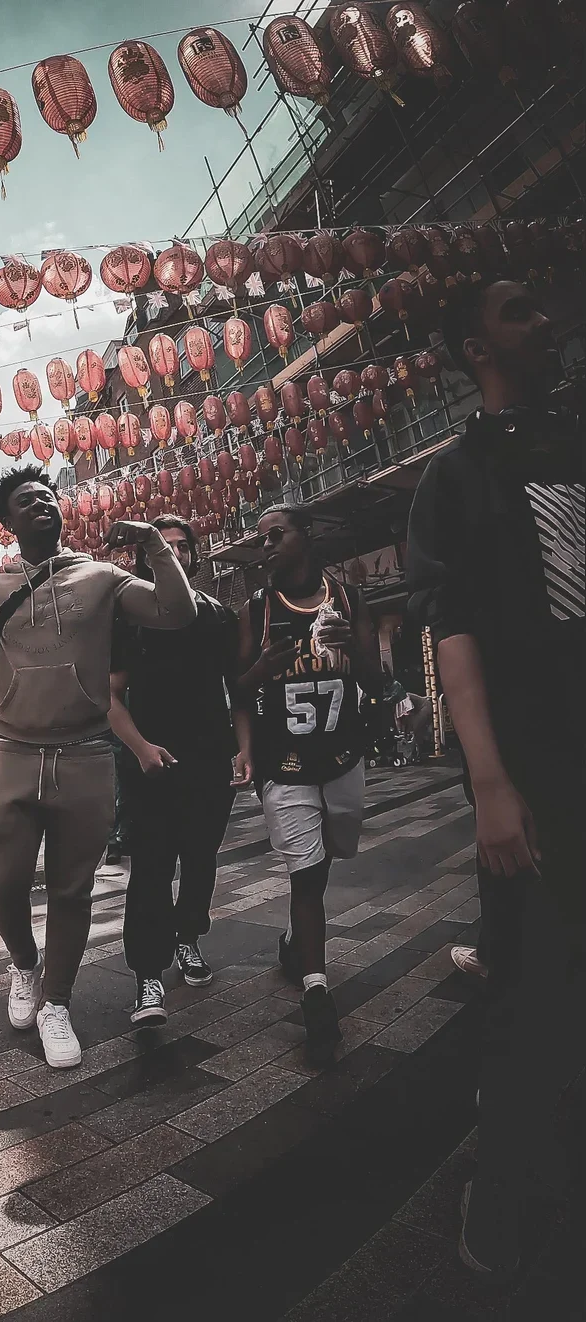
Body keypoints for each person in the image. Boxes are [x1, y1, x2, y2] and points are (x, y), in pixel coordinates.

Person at [407, 276, 583, 1280]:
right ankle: (504, 1196)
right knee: (530, 987)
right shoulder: (459, 475)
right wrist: (489, 782)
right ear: (477, 347)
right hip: (541, 768)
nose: (548, 317)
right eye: (522, 310)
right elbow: (456, 631)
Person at [0, 464, 194, 1068]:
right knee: (1, 885)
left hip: (87, 755)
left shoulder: (101, 576)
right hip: (14, 754)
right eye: (26, 501)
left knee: (71, 890)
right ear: (6, 521)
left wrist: (153, 542)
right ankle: (25, 965)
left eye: (48, 496)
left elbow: (176, 611)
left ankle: (57, 1003)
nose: (42, 503)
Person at [235, 504, 384, 1049]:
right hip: (285, 765)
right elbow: (237, 689)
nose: (268, 545)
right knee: (307, 869)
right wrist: (261, 672)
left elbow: (377, 677)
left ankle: (297, 938)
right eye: (262, 538)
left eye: (277, 534)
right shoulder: (257, 610)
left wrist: (353, 651)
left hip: (343, 757)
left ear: (307, 536)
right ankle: (316, 988)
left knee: (337, 849)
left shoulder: (348, 601)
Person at [109, 514, 253, 1027]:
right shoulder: (129, 618)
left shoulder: (217, 616)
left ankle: (188, 936)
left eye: (181, 547)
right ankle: (148, 974)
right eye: (160, 547)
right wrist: (141, 748)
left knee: (199, 859)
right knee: (149, 866)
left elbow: (238, 690)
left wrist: (243, 749)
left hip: (209, 757)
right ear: (147, 559)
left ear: (193, 555)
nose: (173, 555)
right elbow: (111, 696)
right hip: (148, 764)